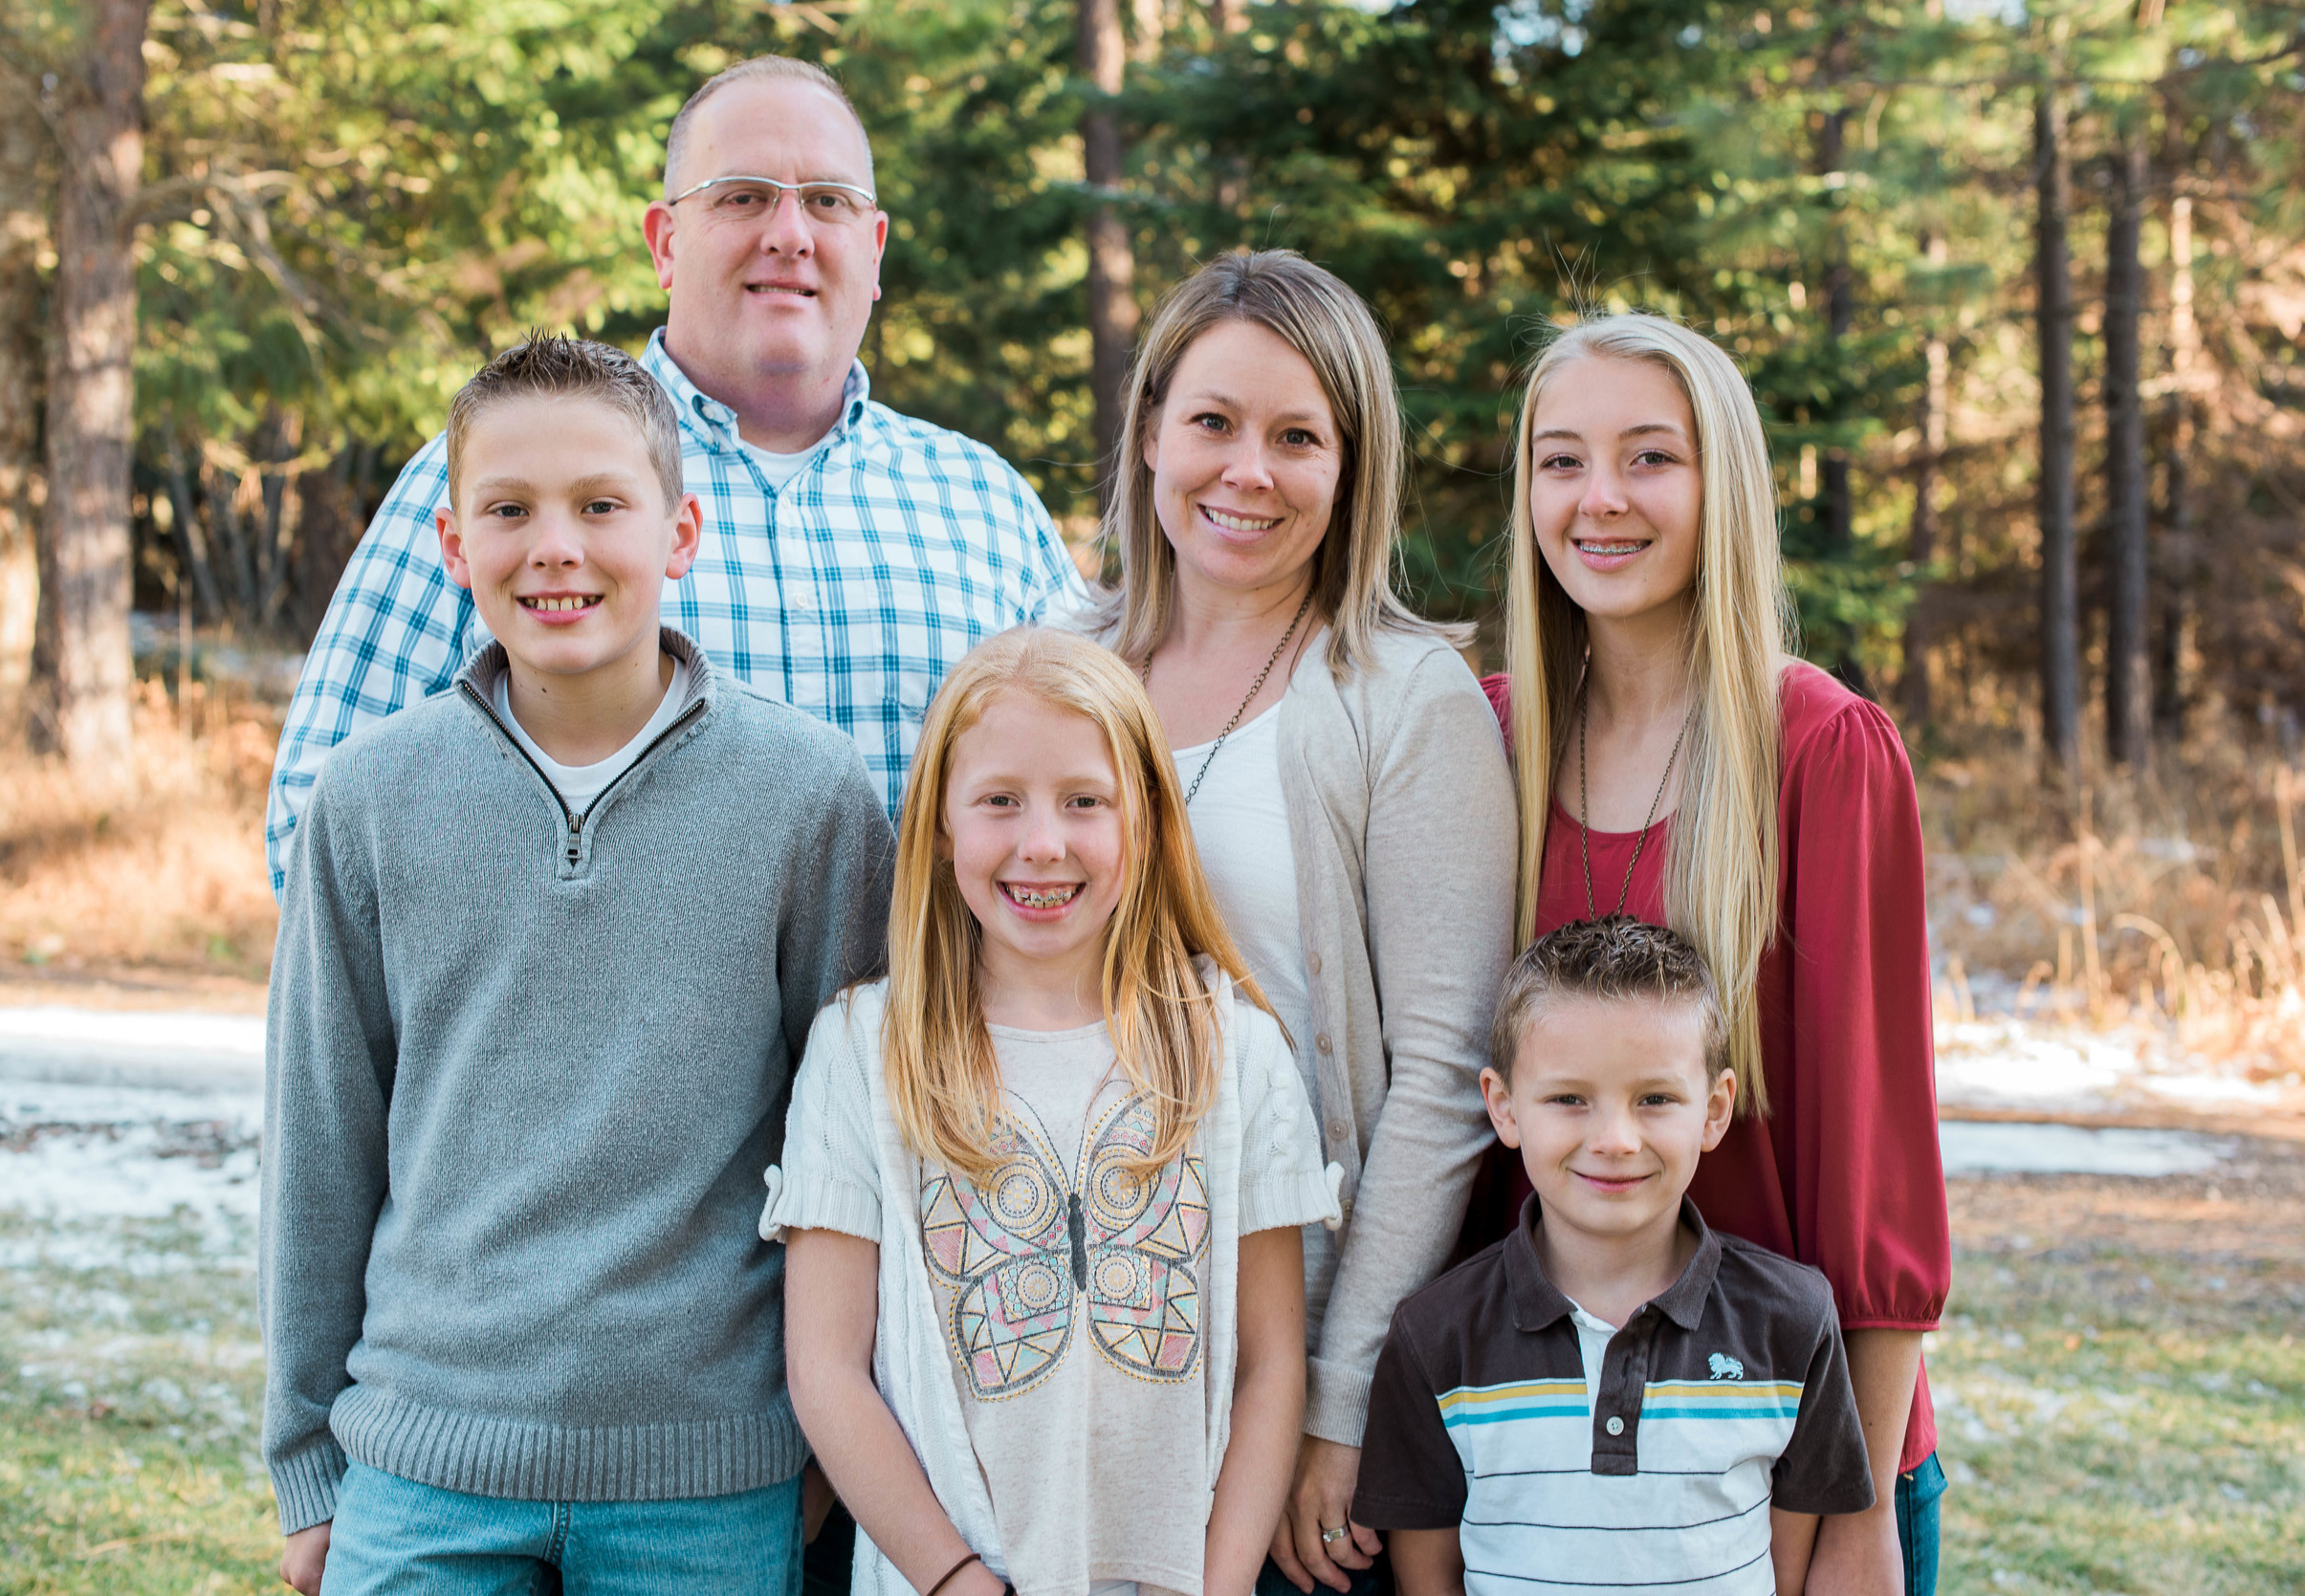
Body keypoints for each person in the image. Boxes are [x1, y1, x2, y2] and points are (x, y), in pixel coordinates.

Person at [259, 336, 894, 1595]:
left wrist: (835, 1437)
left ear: (680, 533)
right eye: (509, 510)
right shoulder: (369, 796)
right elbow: (320, 1138)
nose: (555, 547)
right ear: (453, 545)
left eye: (602, 505)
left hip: (708, 1480)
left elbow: (859, 1142)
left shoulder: (809, 797)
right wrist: (307, 1463)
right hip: (423, 1465)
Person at [264, 54, 1085, 896]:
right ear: (665, 242)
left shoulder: (987, 507)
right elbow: (318, 826)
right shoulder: (499, 479)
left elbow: (1109, 801)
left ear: (874, 251)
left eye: (828, 201)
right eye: (743, 196)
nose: (791, 234)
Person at [1459, 312, 1949, 1595]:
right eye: (1560, 461)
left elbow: (1873, 1153)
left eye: (1648, 457)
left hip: (1786, 1451)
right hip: (1531, 1447)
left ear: (1718, 481)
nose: (1599, 498)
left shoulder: (1820, 749)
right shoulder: (1483, 742)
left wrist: (1855, 1502)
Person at [1087, 249, 1517, 1594]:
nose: (1247, 472)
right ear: (1151, 432)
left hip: (1287, 1352)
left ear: (1351, 467)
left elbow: (1445, 1072)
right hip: (1075, 1353)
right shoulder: (1059, 670)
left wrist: (1339, 1398)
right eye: (1212, 422)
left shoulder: (1404, 699)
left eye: (1296, 437)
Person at [768, 626, 1342, 1596]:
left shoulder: (1233, 1051)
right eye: (1000, 800)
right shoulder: (863, 1052)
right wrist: (956, 1578)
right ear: (939, 823)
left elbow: (1271, 1364)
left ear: (1145, 817)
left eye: (1084, 800)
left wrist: (1218, 1586)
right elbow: (826, 1368)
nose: (1042, 842)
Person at [1353, 917, 1877, 1596]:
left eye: (1654, 1098)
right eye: (1569, 1098)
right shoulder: (1436, 1337)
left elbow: (1784, 1571)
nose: (1616, 1139)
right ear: (1504, 1107)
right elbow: (1428, 1579)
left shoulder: (1791, 1323)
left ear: (1715, 1109)